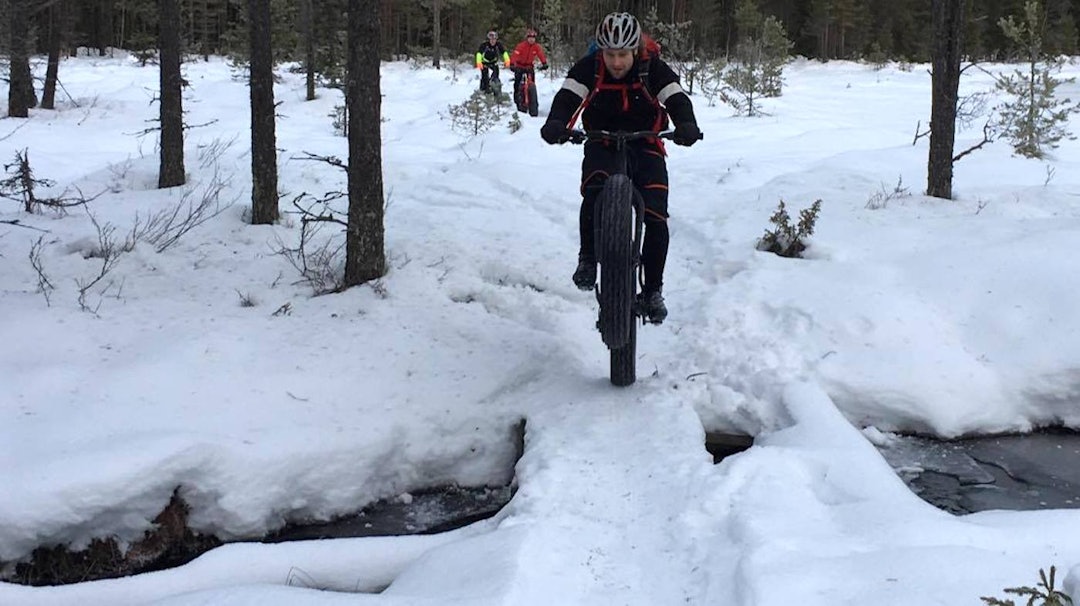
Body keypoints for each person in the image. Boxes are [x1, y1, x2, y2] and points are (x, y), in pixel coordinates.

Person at [539, 12, 701, 324]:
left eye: (622, 55)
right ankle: (588, 258)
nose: (616, 63)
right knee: (594, 191)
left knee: (655, 216)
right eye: (610, 55)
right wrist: (556, 122)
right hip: (602, 140)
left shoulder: (650, 68)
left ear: (635, 51)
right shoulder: (591, 67)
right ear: (602, 51)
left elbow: (676, 97)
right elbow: (568, 97)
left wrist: (686, 124)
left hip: (646, 142)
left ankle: (652, 290)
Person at [509, 29, 549, 112]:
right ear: (527, 38)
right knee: (517, 83)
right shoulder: (521, 46)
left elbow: (541, 54)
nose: (531, 39)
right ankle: (517, 100)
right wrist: (512, 64)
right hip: (520, 66)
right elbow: (515, 55)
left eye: (533, 38)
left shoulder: (536, 47)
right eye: (530, 37)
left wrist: (544, 63)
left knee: (532, 84)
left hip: (529, 67)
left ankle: (532, 102)